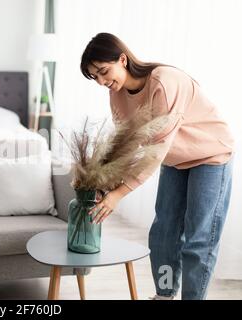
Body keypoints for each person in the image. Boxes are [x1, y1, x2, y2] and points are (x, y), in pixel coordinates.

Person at [80, 32, 234, 300]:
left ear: (122, 59)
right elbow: (127, 146)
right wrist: (106, 184)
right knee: (163, 234)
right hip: (175, 160)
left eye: (104, 72)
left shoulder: (164, 82)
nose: (103, 82)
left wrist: (119, 195)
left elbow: (154, 150)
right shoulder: (116, 95)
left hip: (210, 155)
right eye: (96, 77)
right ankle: (165, 293)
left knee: (198, 239)